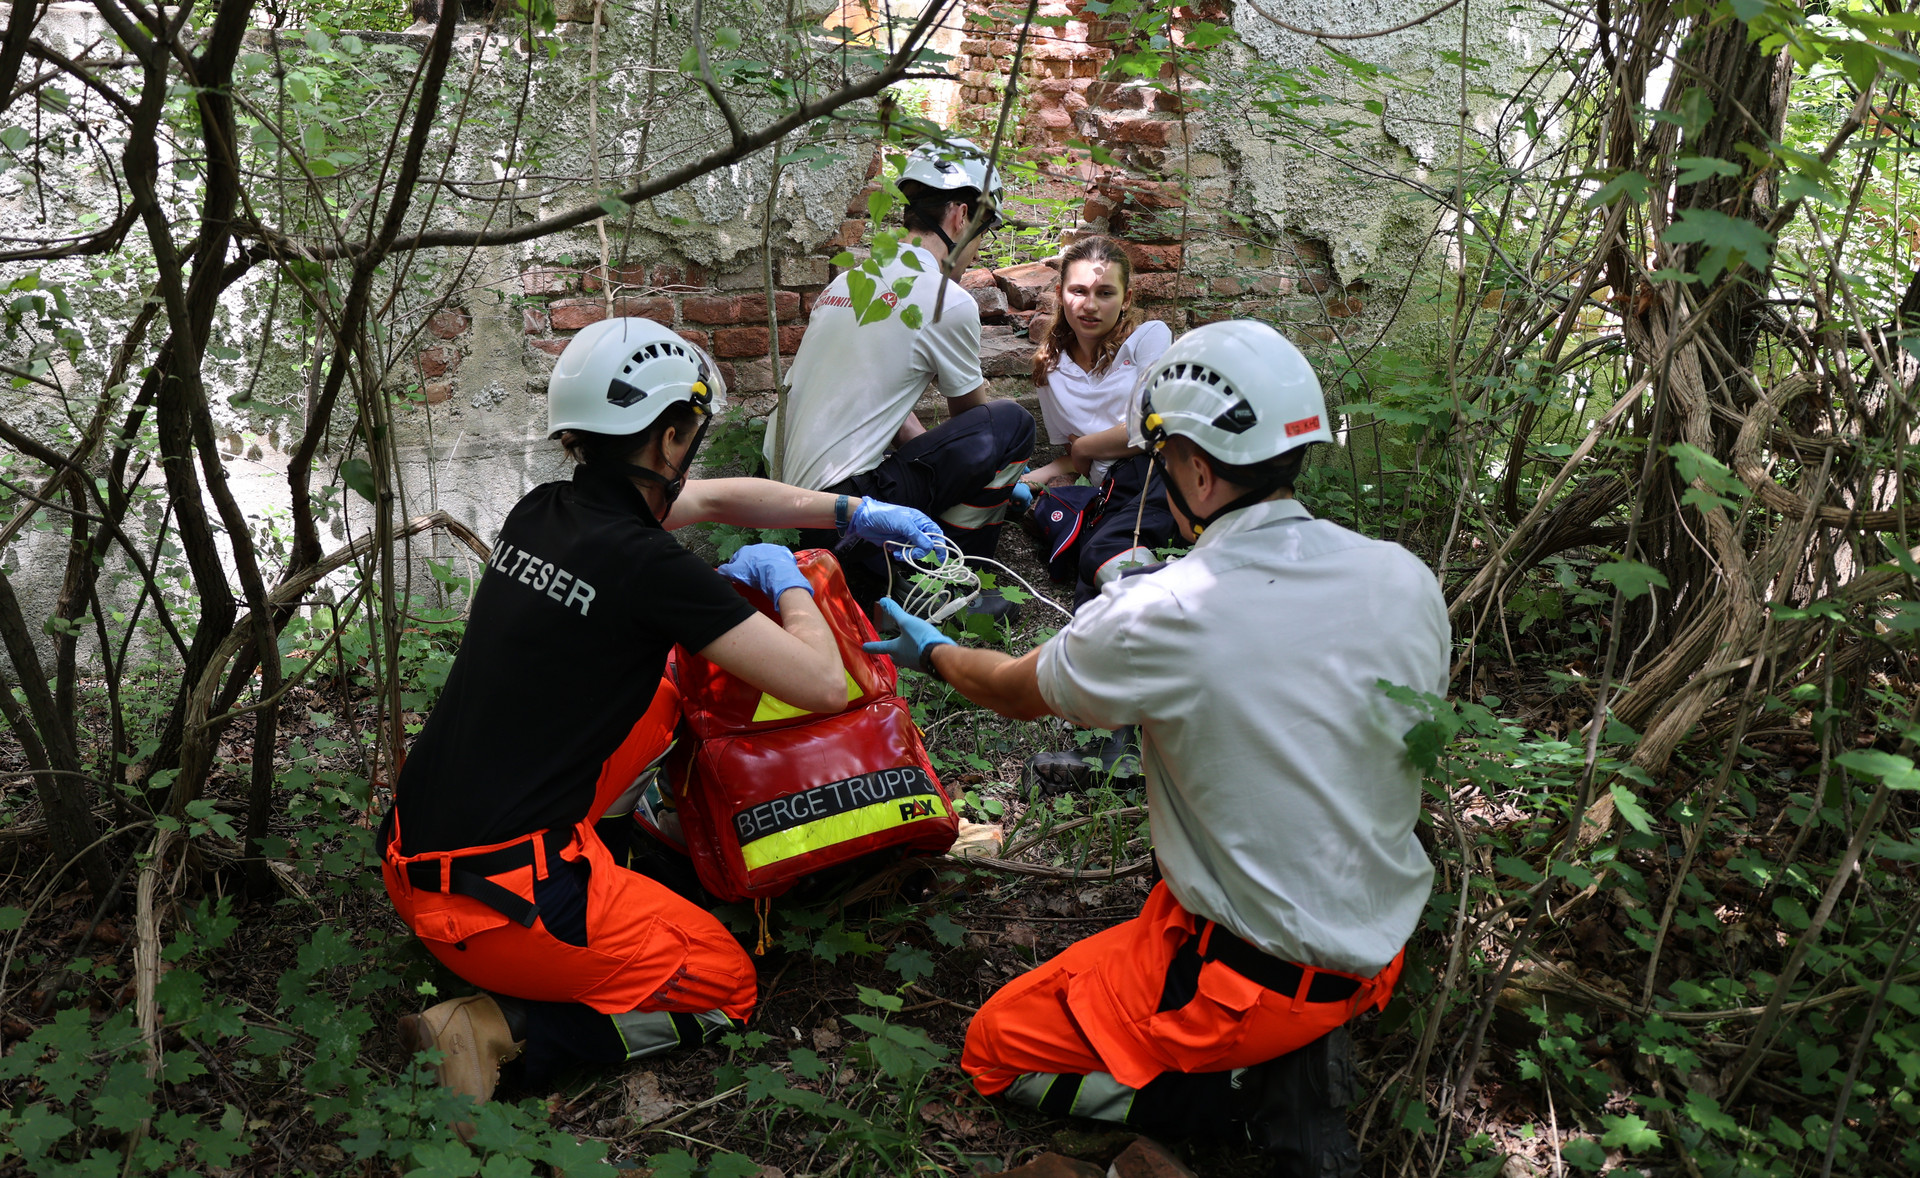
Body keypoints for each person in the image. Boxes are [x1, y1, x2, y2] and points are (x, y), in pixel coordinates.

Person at [863, 320, 1449, 1177]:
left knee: (998, 1050)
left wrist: (936, 653)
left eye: (1161, 463)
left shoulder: (1165, 612)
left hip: (1247, 982)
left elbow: (1013, 690)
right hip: (1374, 947)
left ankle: (1238, 1094)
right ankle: (1280, 1041)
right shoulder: (1405, 575)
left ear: (1200, 471)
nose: (1157, 480)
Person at [383, 317, 952, 1113]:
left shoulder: (545, 511)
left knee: (654, 693)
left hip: (416, 851)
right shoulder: (651, 568)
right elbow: (823, 683)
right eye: (690, 433)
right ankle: (497, 1027)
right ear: (671, 436)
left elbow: (719, 498)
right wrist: (787, 577)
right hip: (497, 910)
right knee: (725, 984)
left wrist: (850, 511)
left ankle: (624, 853)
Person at [767, 137, 1034, 619]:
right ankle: (944, 583)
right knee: (1012, 423)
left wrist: (923, 446)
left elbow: (876, 399)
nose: (976, 248)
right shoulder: (943, 299)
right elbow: (978, 426)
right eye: (983, 230)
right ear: (959, 216)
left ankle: (898, 562)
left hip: (783, 506)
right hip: (842, 513)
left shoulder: (850, 279)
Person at [1009, 235, 1176, 792]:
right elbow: (1068, 459)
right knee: (1091, 569)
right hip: (1110, 492)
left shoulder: (1149, 339)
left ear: (1126, 299)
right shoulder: (1051, 368)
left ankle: (1127, 741)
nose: (1091, 303)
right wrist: (1020, 482)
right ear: (1060, 293)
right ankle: (1115, 741)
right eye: (1079, 290)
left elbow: (1153, 425)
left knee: (1106, 556)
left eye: (1106, 292)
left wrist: (1087, 448)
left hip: (1159, 471)